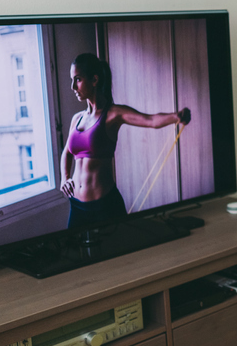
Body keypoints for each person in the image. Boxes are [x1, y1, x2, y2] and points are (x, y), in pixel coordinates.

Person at [60, 52, 191, 229]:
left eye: (77, 79)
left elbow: (150, 120)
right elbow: (67, 153)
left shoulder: (113, 114)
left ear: (94, 80)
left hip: (104, 206)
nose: (73, 87)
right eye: (72, 80)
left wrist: (176, 116)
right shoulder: (77, 119)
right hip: (76, 206)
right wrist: (65, 178)